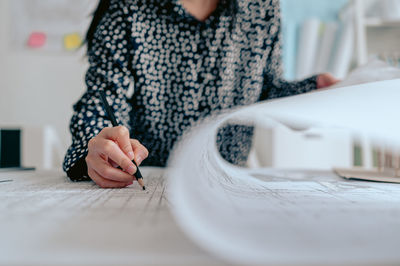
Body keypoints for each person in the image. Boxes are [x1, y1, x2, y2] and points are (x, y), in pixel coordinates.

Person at [63, 0, 339, 188]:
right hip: (148, 177)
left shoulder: (261, 7)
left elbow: (268, 89)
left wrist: (311, 91)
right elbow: (102, 98)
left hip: (231, 180)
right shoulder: (128, 7)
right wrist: (98, 144)